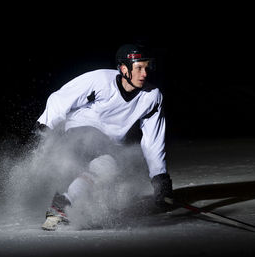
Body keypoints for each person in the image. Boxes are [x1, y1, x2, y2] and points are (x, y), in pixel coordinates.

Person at [36, 44, 173, 230]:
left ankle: (60, 207)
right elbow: (60, 98)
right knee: (105, 160)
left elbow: (153, 139)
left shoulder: (152, 97)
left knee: (109, 170)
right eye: (139, 68)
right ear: (124, 69)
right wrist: (45, 127)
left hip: (109, 144)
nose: (144, 74)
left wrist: (159, 177)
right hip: (79, 132)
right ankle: (62, 205)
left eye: (147, 67)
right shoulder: (101, 80)